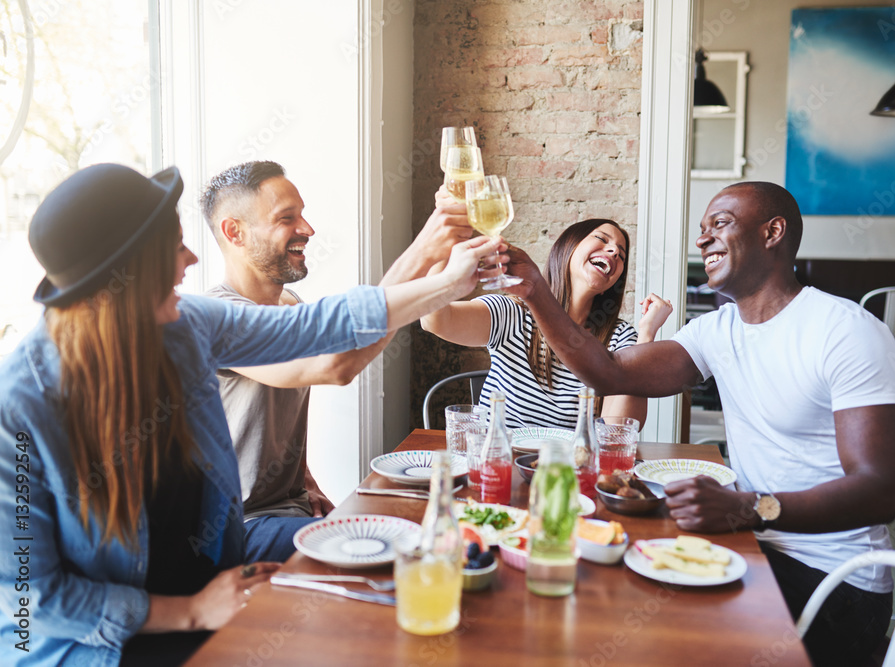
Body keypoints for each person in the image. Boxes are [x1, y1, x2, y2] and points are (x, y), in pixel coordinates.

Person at [0, 164, 499, 666]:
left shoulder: (188, 326)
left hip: (217, 590)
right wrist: (192, 611)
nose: (191, 259)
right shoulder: (18, 411)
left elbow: (321, 326)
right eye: (173, 249)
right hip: (103, 646)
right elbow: (33, 597)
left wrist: (445, 285)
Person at [503, 182, 895, 666]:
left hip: (834, 583)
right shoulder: (718, 330)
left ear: (772, 232)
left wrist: (749, 509)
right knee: (610, 598)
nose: (703, 240)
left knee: (651, 635)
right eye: (701, 230)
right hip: (755, 546)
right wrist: (535, 291)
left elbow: (880, 492)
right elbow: (608, 371)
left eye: (720, 225)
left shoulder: (846, 330)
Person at [200, 161, 474, 562]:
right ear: (234, 232)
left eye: (302, 215)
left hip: (286, 510)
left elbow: (350, 345)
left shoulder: (290, 304)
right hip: (238, 526)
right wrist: (426, 253)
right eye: (286, 218)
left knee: (432, 516)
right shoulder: (218, 318)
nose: (307, 229)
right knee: (409, 543)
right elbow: (335, 365)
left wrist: (303, 481)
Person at [421, 217, 672, 429]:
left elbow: (617, 431)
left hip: (565, 476)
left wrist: (646, 335)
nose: (615, 251)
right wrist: (449, 240)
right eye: (602, 239)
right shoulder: (512, 313)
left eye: (621, 253)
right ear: (568, 247)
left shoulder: (620, 337)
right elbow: (434, 320)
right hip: (496, 466)